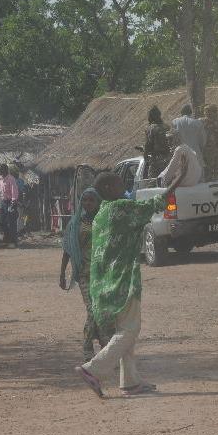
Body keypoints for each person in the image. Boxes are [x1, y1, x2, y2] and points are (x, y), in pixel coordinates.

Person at [74, 172, 167, 398]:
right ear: (108, 187)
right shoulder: (120, 208)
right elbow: (153, 205)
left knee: (124, 331)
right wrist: (177, 181)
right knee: (129, 330)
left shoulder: (102, 213)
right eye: (118, 182)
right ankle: (93, 369)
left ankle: (130, 382)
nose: (122, 184)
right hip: (122, 282)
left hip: (104, 283)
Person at [59, 188, 106, 362]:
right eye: (85, 200)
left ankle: (105, 346)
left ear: (97, 202)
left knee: (103, 312)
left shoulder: (104, 220)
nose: (88, 203)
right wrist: (62, 274)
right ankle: (87, 347)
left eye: (91, 200)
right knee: (92, 311)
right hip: (84, 274)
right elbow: (68, 249)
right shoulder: (75, 223)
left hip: (103, 274)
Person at [144, 105, 172, 180]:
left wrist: (145, 156)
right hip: (169, 159)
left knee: (153, 183)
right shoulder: (167, 126)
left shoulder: (151, 128)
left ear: (151, 116)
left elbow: (148, 145)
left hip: (156, 161)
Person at [202, 104, 218, 182]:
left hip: (211, 151)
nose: (206, 113)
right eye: (206, 112)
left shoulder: (204, 122)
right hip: (214, 151)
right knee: (217, 174)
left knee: (212, 174)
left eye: (207, 112)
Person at [0, 163, 20, 246]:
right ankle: (7, 237)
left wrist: (13, 202)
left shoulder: (11, 179)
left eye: (1, 170)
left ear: (5, 170)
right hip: (3, 203)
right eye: (0, 170)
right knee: (2, 222)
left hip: (10, 203)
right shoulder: (1, 179)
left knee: (11, 222)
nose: (0, 172)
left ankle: (14, 240)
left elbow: (14, 191)